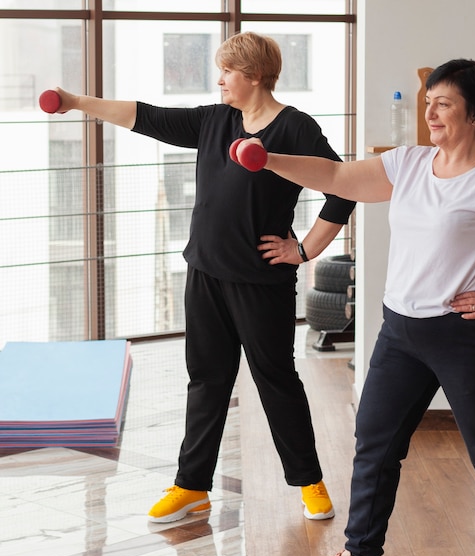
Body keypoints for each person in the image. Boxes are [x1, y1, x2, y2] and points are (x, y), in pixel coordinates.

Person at [233, 59, 475, 556]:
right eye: (428, 102)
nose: (431, 112)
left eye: (443, 103)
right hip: (401, 330)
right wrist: (267, 158)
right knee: (375, 443)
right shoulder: (412, 164)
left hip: (467, 335)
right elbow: (338, 178)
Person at [52, 32, 355, 523]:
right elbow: (144, 116)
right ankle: (191, 486)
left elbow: (342, 190)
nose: (220, 81)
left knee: (276, 380)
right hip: (206, 274)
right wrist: (74, 102)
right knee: (207, 381)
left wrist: (303, 250)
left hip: (261, 283)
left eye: (228, 72)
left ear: (253, 76)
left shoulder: (295, 128)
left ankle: (310, 482)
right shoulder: (216, 121)